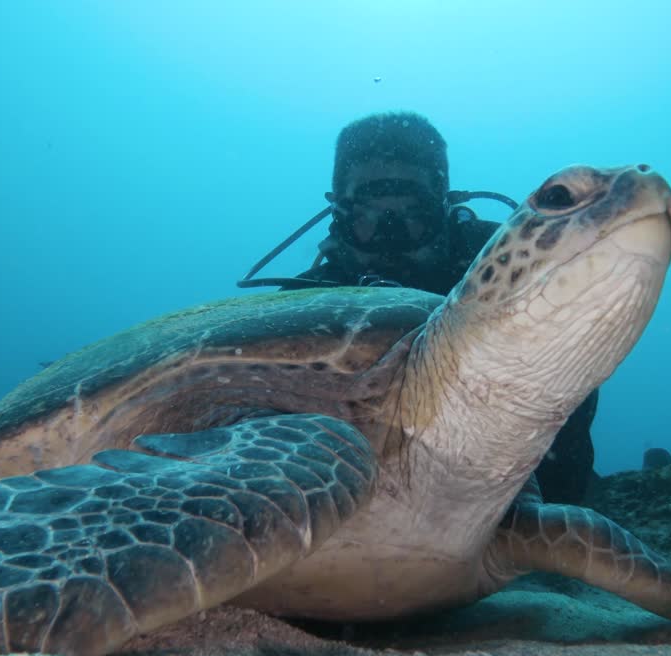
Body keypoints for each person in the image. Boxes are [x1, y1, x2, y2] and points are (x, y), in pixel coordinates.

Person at [244, 111, 599, 505]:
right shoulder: (302, 304)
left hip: (510, 500)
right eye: (368, 216)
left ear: (446, 210)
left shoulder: (500, 271)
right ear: (338, 216)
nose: (391, 238)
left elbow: (565, 472)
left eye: (416, 215)